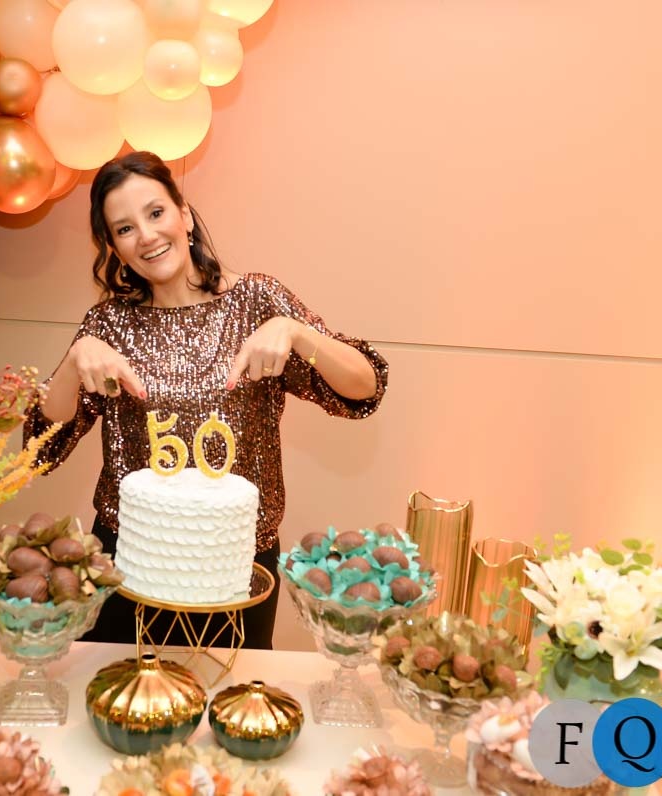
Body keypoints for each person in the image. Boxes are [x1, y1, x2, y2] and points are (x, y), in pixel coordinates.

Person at [25, 151, 389, 648]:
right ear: (114, 248)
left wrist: (297, 332)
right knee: (122, 692)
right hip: (129, 565)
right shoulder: (108, 324)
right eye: (125, 228)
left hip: (238, 567)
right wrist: (74, 361)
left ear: (185, 215)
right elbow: (42, 447)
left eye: (156, 213)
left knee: (233, 693)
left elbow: (365, 387)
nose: (147, 235)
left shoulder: (256, 302)